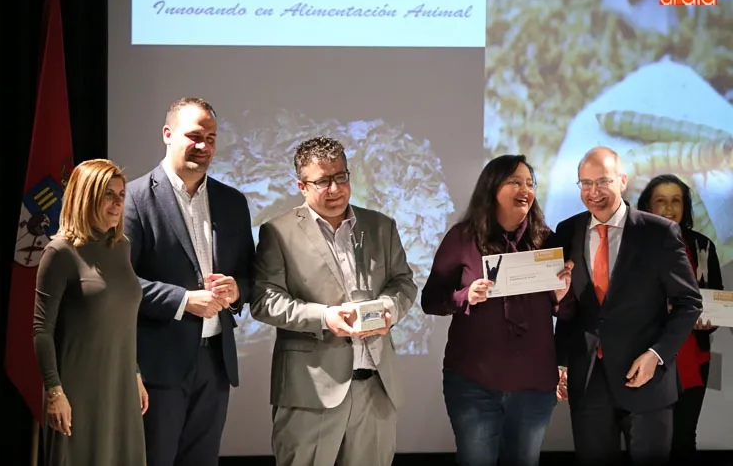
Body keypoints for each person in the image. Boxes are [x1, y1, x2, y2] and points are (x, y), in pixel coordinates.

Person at [249, 136, 418, 466]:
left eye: (341, 177)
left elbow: (403, 282)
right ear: (301, 185)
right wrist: (325, 317)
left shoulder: (381, 226)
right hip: (311, 390)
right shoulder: (277, 232)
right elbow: (264, 300)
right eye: (322, 181)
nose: (335, 189)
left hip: (376, 387)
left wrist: (390, 307)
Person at [124, 98, 255, 466]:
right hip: (158, 365)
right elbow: (122, 284)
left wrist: (237, 289)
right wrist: (183, 300)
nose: (204, 146)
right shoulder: (134, 199)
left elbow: (251, 274)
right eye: (194, 135)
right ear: (167, 134)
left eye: (211, 138)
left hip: (216, 363)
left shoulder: (232, 202)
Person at [554, 147, 702, 465]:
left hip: (646, 381)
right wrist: (562, 362)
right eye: (585, 183)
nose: (593, 192)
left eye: (603, 181)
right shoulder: (567, 231)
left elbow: (689, 302)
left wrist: (657, 354)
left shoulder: (659, 233)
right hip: (589, 383)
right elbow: (570, 311)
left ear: (623, 181)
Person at [421, 154, 573, 466]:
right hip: (474, 383)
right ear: (492, 188)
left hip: (534, 385)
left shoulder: (547, 240)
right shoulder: (463, 238)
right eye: (515, 181)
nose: (525, 189)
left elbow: (567, 312)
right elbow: (431, 299)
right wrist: (465, 295)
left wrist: (562, 296)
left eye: (530, 183)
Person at [33, 158, 147, 466]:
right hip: (77, 392)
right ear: (86, 196)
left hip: (120, 385)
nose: (118, 202)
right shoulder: (59, 252)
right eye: (108, 194)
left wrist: (134, 374)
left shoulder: (121, 246)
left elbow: (120, 319)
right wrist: (55, 392)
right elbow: (42, 331)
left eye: (121, 194)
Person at [636, 174, 724, 462]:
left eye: (676, 201)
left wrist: (711, 321)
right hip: (642, 355)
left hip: (691, 355)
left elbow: (715, 300)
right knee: (648, 440)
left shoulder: (703, 246)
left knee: (684, 437)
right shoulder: (630, 246)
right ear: (647, 206)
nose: (669, 208)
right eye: (660, 201)